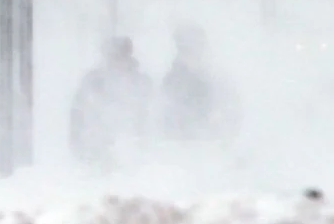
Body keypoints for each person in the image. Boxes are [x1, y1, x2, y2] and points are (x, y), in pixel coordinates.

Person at [69, 36, 153, 167]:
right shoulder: (92, 82)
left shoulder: (142, 83)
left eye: (120, 56)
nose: (116, 61)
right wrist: (81, 151)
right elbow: (77, 117)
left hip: (134, 160)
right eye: (112, 56)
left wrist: (141, 148)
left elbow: (150, 118)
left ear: (128, 56)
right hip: (96, 157)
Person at [160, 25, 238, 143]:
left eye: (201, 45)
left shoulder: (215, 79)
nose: (201, 49)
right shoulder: (172, 81)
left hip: (213, 144)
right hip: (185, 144)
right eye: (196, 45)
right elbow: (169, 118)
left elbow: (231, 110)